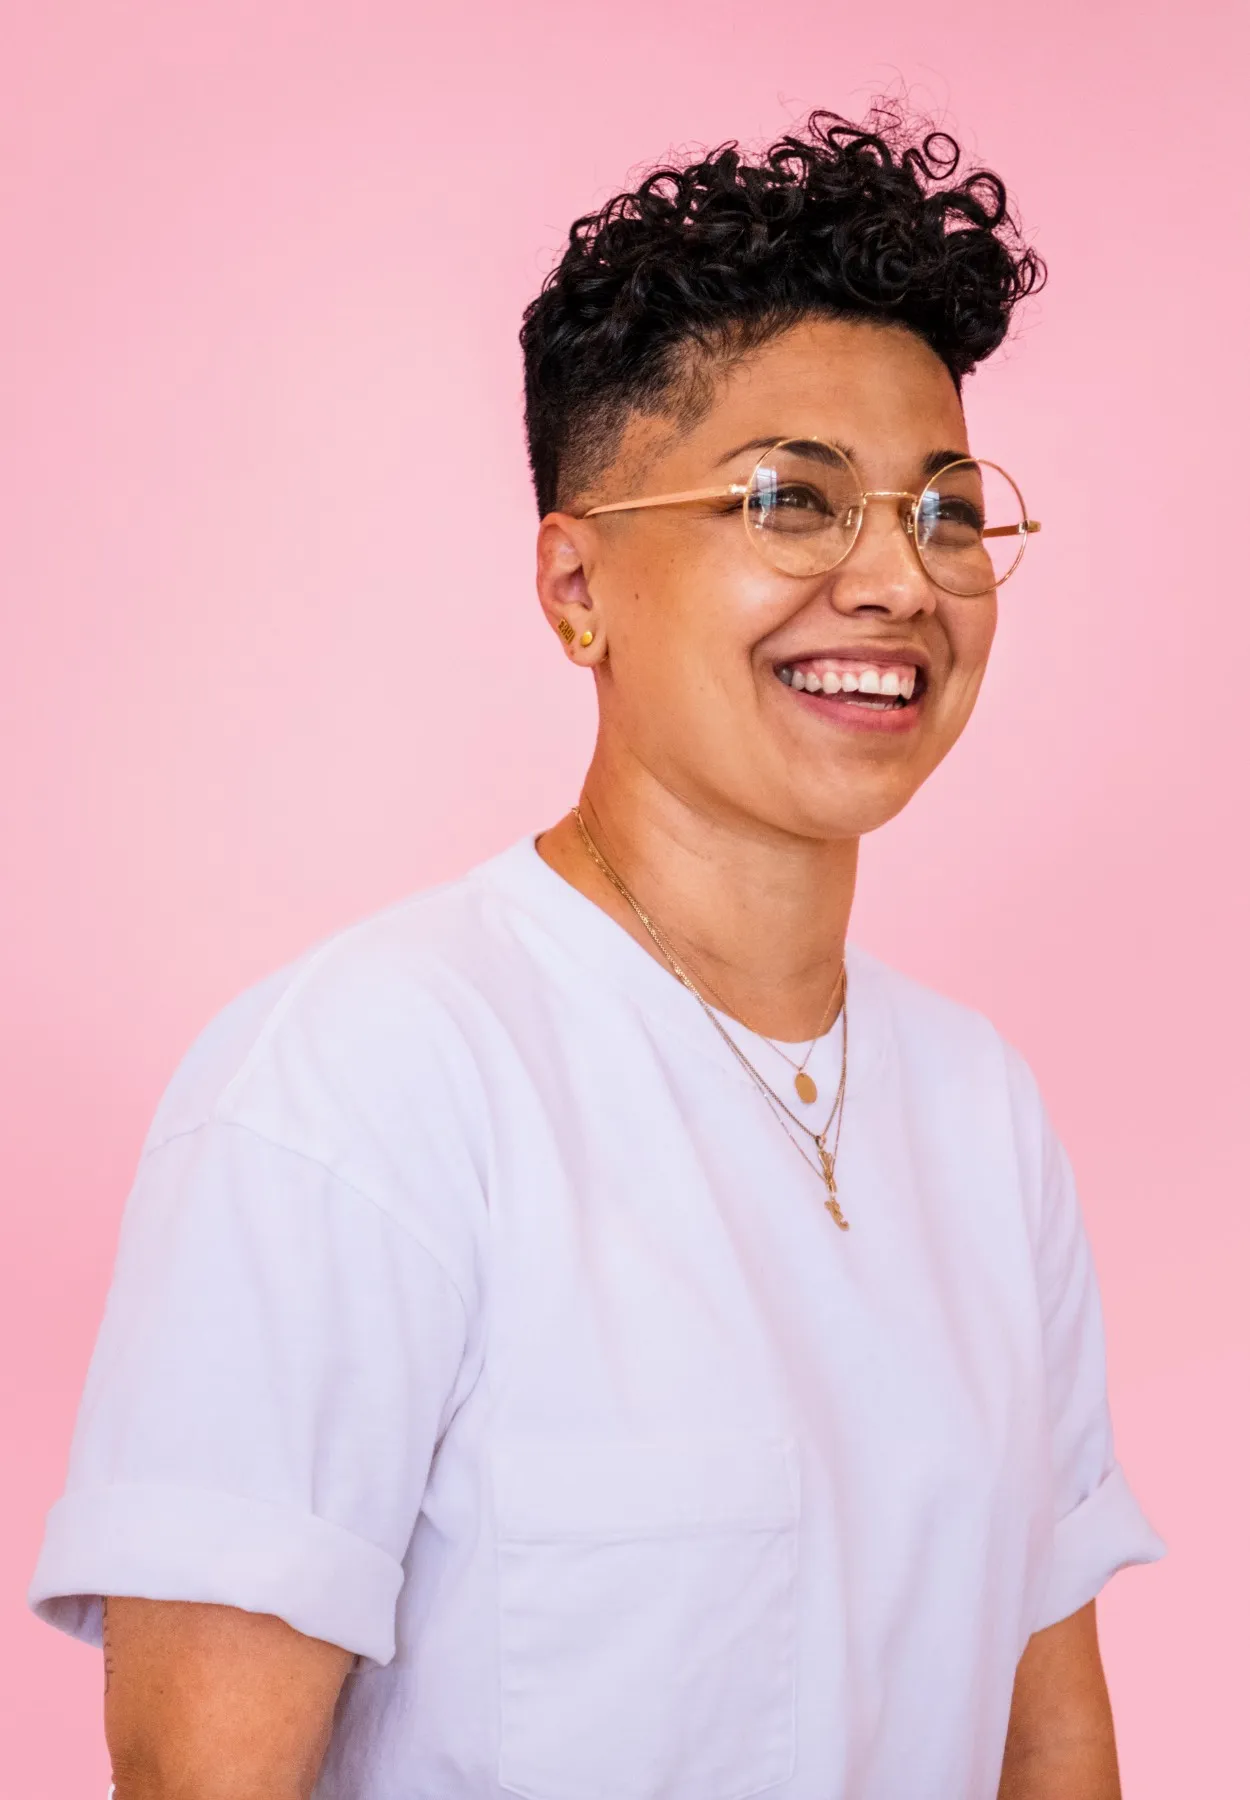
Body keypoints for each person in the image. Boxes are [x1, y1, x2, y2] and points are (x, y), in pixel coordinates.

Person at [29, 105, 1164, 1800]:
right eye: (791, 500)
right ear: (574, 583)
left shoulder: (978, 1112)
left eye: (943, 512)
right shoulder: (366, 1080)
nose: (896, 582)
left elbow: (1050, 1739)